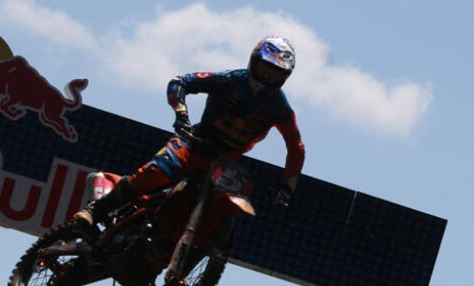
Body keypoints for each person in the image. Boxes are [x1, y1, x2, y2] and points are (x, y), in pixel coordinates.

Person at [72, 37, 306, 263]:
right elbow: (180, 81)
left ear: (284, 78)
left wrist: (287, 188)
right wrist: (181, 115)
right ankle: (97, 210)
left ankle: (172, 264)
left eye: (275, 74)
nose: (266, 78)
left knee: (218, 209)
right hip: (193, 142)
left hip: (222, 163)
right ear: (253, 61)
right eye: (265, 69)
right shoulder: (230, 80)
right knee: (157, 173)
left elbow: (295, 147)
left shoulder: (281, 108)